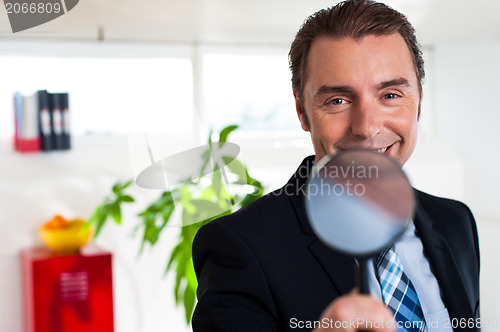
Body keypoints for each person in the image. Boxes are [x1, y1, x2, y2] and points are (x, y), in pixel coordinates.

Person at [191, 0, 480, 331]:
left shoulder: (456, 223)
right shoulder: (239, 246)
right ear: (302, 111)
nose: (367, 127)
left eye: (390, 95)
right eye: (338, 101)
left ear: (418, 102)